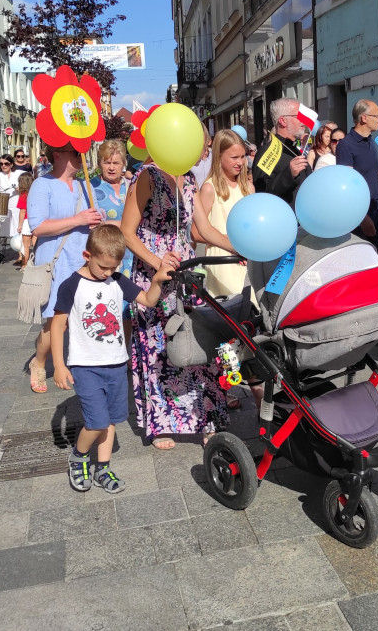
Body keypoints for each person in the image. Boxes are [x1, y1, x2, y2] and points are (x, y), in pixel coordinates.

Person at [121, 156, 236, 450]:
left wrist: (237, 248)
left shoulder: (189, 178)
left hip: (185, 271)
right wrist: (158, 264)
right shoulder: (146, 175)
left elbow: (205, 229)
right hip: (153, 271)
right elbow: (126, 232)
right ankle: (162, 422)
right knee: (158, 345)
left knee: (195, 339)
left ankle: (203, 418)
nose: (200, 152)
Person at [52, 224, 175, 494]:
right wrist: (59, 365)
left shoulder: (118, 280)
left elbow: (148, 300)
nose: (108, 273)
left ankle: (103, 466)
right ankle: (79, 456)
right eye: (103, 267)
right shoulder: (71, 284)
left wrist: (157, 281)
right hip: (85, 366)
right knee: (96, 421)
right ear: (87, 255)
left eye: (113, 267)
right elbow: (57, 325)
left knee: (110, 421)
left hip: (117, 363)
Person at [25, 144, 104, 393]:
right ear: (57, 156)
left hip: (82, 259)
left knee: (82, 317)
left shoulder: (84, 184)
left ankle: (81, 367)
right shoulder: (42, 184)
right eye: (75, 154)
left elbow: (92, 215)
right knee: (56, 320)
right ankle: (39, 362)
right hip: (56, 260)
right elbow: (38, 227)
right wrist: (78, 220)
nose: (81, 158)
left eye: (83, 153)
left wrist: (94, 220)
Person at [335, 99, 378, 263]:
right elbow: (346, 186)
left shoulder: (370, 142)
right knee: (364, 263)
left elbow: (375, 176)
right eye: (377, 116)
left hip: (375, 208)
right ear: (363, 118)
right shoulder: (346, 145)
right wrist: (362, 218)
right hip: (358, 214)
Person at [196, 129, 250, 297]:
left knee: (251, 307)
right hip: (221, 256)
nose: (240, 162)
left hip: (246, 257)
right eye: (234, 157)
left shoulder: (248, 187)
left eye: (242, 156)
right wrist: (228, 242)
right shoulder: (210, 188)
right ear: (219, 157)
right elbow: (196, 232)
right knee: (231, 304)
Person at [252, 97, 311, 202]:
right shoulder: (268, 152)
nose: (303, 120)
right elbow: (262, 192)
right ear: (283, 121)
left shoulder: (294, 147)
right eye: (298, 116)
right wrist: (289, 174)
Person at [90, 140, 133, 277]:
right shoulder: (91, 187)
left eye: (116, 163)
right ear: (99, 164)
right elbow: (92, 222)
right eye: (107, 162)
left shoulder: (131, 186)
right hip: (104, 253)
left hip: (130, 251)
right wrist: (125, 225)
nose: (111, 168)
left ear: (123, 164)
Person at [0, 154, 21, 239]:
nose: (3, 166)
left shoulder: (19, 173)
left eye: (6, 163)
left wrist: (21, 188)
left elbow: (27, 183)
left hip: (16, 204)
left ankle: (19, 248)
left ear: (11, 164)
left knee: (17, 230)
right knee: (3, 229)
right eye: (1, 164)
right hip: (3, 204)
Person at [14, 173, 34, 269]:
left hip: (27, 221)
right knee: (36, 245)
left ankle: (25, 265)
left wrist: (19, 225)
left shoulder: (23, 195)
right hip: (37, 220)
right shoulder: (36, 193)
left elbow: (22, 211)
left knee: (25, 246)